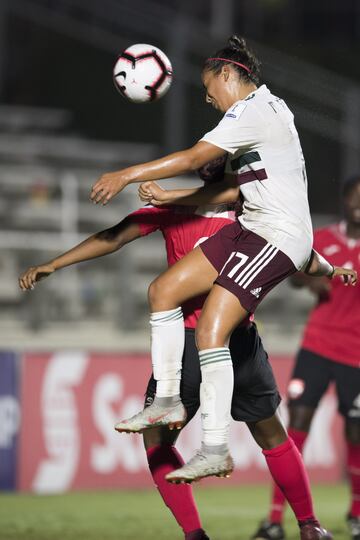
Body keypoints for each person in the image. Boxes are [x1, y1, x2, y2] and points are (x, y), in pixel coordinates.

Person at [19, 161, 355, 540]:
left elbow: (114, 237)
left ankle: (197, 534)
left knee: (159, 440)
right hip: (239, 341)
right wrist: (329, 269)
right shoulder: (251, 210)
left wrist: (54, 264)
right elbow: (296, 252)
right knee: (272, 434)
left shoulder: (182, 209)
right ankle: (309, 525)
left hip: (190, 346)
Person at [89, 34, 318, 484]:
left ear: (230, 74)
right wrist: (175, 196)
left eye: (208, 85)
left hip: (276, 235)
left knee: (212, 327)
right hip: (252, 227)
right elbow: (230, 187)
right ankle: (169, 400)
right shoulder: (269, 109)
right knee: (163, 290)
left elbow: (196, 156)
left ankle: (215, 447)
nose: (207, 95)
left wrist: (126, 173)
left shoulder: (251, 111)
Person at [251, 176, 360, 540]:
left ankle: (357, 513)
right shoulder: (324, 239)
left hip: (356, 355)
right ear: (345, 200)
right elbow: (296, 270)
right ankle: (274, 520)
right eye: (354, 197)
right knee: (295, 423)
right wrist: (305, 279)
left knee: (356, 430)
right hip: (316, 345)